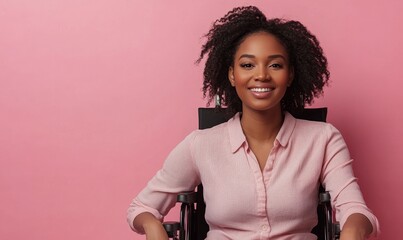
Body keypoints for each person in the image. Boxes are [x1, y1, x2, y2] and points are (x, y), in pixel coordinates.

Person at [127, 6, 379, 240]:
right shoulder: (200, 144)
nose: (261, 75)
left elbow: (356, 210)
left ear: (290, 74)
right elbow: (142, 207)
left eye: (275, 65)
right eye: (248, 65)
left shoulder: (323, 138)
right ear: (232, 75)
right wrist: (153, 226)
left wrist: (353, 230)